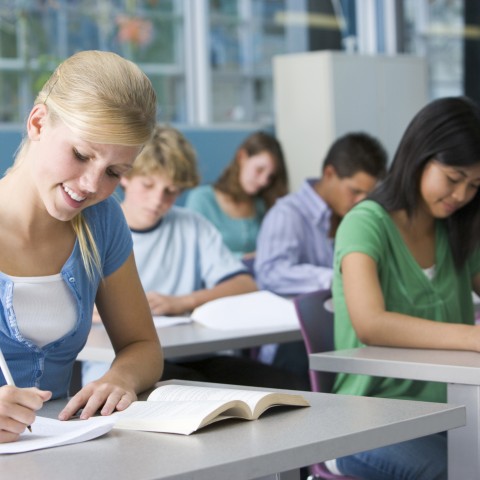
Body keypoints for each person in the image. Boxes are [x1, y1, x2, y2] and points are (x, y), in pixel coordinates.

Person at [0, 50, 163, 443]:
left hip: (60, 449)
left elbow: (142, 346)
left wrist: (120, 377)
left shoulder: (101, 222)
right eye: (81, 154)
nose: (91, 185)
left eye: (113, 172)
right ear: (38, 124)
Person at [82, 124, 309, 390]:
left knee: (288, 385)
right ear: (125, 176)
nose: (158, 200)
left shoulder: (192, 225)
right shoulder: (96, 226)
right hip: (119, 362)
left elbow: (245, 284)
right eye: (148, 185)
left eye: (171, 191)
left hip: (197, 355)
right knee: (194, 389)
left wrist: (183, 302)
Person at [329, 96, 480, 480]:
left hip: (455, 407)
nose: (461, 195)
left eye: (475, 185)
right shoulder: (365, 223)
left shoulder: (457, 228)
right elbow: (371, 324)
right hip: (369, 417)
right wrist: (472, 337)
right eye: (453, 179)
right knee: (457, 470)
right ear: (419, 156)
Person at [254, 132, 387, 380]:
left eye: (368, 195)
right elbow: (270, 273)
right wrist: (342, 278)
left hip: (341, 335)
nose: (361, 201)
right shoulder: (287, 214)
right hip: (292, 343)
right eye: (355, 191)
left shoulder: (359, 219)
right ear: (329, 174)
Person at [185, 131, 288, 258]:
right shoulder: (202, 199)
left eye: (270, 176)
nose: (263, 181)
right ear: (242, 157)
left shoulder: (262, 205)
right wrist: (247, 257)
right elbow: (194, 253)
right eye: (259, 170)